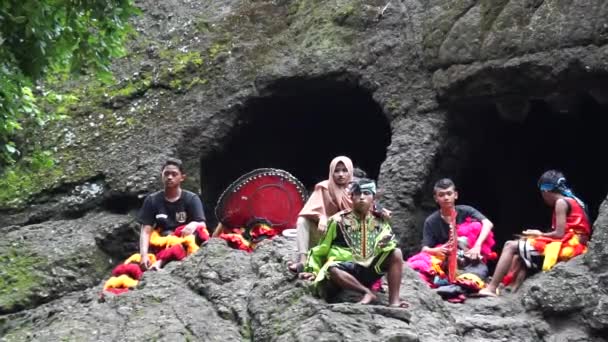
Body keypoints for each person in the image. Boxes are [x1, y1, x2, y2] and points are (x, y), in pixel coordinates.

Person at [478, 170, 591, 297]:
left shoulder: (561, 202)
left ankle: (491, 288)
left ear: (545, 191)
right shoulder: (575, 201)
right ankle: (506, 287)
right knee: (520, 252)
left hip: (570, 245)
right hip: (576, 242)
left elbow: (559, 234)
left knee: (510, 245)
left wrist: (540, 234)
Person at [300, 178, 408, 307]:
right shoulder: (338, 220)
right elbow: (321, 248)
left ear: (373, 198)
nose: (362, 197)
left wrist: (379, 246)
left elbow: (388, 242)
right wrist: (313, 270)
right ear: (351, 197)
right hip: (345, 269)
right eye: (357, 193)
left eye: (367, 193)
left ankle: (394, 301)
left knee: (396, 253)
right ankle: (365, 292)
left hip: (369, 268)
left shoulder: (380, 222)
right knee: (332, 269)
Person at [137, 158, 208, 270]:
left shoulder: (191, 199)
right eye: (166, 174)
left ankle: (160, 263)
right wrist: (143, 255)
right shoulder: (152, 200)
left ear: (182, 177)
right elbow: (146, 231)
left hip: (186, 239)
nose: (170, 177)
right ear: (162, 175)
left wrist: (194, 224)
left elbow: (202, 224)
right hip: (163, 241)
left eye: (174, 174)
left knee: (197, 234)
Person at [288, 156, 354, 273]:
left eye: (344, 170)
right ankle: (303, 261)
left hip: (344, 240)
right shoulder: (324, 187)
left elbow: (360, 215)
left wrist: (337, 217)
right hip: (322, 234)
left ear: (350, 172)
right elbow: (308, 210)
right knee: (302, 220)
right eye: (336, 170)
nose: (340, 174)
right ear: (331, 172)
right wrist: (321, 216)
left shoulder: (356, 192)